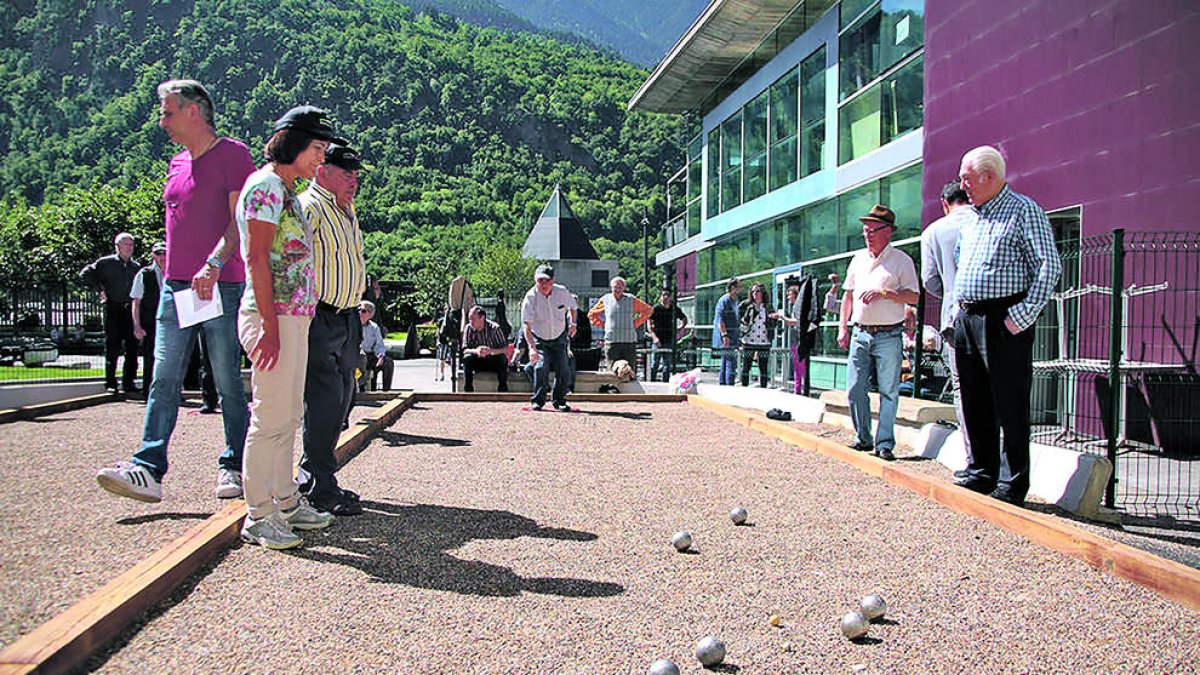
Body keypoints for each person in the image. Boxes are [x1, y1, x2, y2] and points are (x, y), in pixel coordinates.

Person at [96, 79, 252, 504]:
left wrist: (214, 262)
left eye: (167, 112)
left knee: (225, 381)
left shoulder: (233, 155)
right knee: (163, 377)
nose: (161, 121)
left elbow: (239, 221)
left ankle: (235, 465)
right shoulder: (176, 164)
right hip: (176, 288)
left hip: (220, 284)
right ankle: (148, 467)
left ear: (193, 111)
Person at [235, 105, 340, 549]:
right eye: (317, 149)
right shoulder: (265, 187)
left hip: (292, 317)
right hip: (271, 316)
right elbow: (257, 257)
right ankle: (259, 513)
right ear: (293, 143)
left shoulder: (285, 189)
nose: (321, 158)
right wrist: (270, 328)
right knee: (270, 416)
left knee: (288, 416)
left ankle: (286, 500)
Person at [951, 145, 1062, 507]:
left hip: (1003, 318)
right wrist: (957, 311)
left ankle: (1012, 482)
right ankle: (981, 471)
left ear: (989, 176)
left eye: (967, 177)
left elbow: (1048, 266)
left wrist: (1023, 315)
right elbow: (960, 265)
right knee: (974, 399)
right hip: (968, 318)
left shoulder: (1023, 210)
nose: (961, 184)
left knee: (1009, 402)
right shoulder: (970, 217)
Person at [297, 142, 367, 517]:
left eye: (355, 174)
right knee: (324, 402)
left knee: (342, 399)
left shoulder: (346, 210)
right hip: (320, 315)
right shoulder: (311, 208)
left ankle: (314, 474)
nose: (352, 180)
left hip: (348, 316)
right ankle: (321, 487)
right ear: (322, 171)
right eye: (345, 173)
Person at [837, 205, 920, 461]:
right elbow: (847, 296)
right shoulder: (858, 259)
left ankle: (884, 443)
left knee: (888, 390)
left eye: (873, 230)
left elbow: (914, 295)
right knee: (854, 388)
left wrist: (886, 293)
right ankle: (862, 437)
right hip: (860, 333)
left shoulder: (901, 261)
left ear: (888, 232)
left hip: (889, 335)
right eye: (865, 229)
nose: (868, 234)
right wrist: (843, 327)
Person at [920, 178, 976, 476]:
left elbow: (930, 281)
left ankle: (973, 459)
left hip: (954, 316)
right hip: (992, 315)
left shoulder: (935, 231)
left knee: (963, 388)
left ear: (945, 203)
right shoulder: (984, 221)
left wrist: (953, 290)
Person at [80, 232, 141, 394]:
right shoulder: (105, 263)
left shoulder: (136, 267)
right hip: (113, 308)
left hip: (130, 310)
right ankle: (110, 382)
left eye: (131, 245)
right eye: (126, 244)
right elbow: (85, 274)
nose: (129, 248)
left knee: (132, 348)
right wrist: (100, 290)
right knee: (112, 347)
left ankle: (129, 382)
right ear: (118, 247)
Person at [520, 264, 577, 411]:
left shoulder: (562, 292)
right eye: (540, 281)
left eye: (546, 281)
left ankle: (559, 400)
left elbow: (573, 307)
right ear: (535, 281)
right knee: (540, 367)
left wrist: (573, 323)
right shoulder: (531, 297)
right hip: (539, 337)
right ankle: (538, 400)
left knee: (564, 369)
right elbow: (526, 324)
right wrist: (532, 348)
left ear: (553, 281)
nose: (543, 284)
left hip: (559, 336)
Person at [588, 276, 653, 374]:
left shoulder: (631, 299)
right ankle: (612, 388)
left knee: (630, 370)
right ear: (611, 288)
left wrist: (635, 323)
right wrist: (603, 325)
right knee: (611, 370)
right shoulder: (605, 299)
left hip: (629, 341)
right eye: (615, 287)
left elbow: (648, 310)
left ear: (624, 288)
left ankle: (630, 389)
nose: (617, 289)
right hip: (611, 341)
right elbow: (592, 314)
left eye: (619, 287)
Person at [773, 275, 821, 396]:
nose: (788, 297)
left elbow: (796, 322)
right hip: (795, 339)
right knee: (797, 367)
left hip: (801, 339)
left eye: (790, 294)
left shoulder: (800, 307)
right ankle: (798, 389)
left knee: (800, 366)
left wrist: (782, 316)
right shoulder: (796, 307)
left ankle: (800, 390)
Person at [130, 241, 166, 391]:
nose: (162, 257)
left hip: (171, 322)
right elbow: (136, 302)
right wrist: (137, 326)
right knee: (150, 357)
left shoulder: (175, 273)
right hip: (150, 321)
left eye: (164, 253)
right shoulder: (144, 274)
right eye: (158, 253)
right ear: (153, 255)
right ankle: (148, 390)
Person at [461, 305, 509, 392]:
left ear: (482, 318)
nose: (471, 322)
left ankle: (503, 390)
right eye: (469, 319)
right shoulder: (468, 328)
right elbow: (465, 349)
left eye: (473, 319)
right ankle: (468, 391)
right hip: (477, 360)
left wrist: (491, 351)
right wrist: (476, 351)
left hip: (492, 360)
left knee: (502, 360)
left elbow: (506, 349)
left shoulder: (494, 328)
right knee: (467, 358)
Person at [739, 282, 778, 388]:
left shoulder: (768, 307)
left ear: (762, 293)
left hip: (764, 341)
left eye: (757, 291)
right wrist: (743, 326)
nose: (754, 294)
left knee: (763, 367)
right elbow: (737, 317)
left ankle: (763, 389)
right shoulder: (746, 305)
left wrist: (774, 319)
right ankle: (744, 388)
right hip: (749, 340)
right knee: (746, 366)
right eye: (753, 291)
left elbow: (774, 323)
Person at [648, 289, 688, 382]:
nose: (665, 297)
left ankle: (665, 383)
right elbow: (649, 325)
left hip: (669, 339)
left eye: (668, 295)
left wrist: (679, 329)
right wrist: (654, 337)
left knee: (667, 365)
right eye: (663, 295)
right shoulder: (655, 309)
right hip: (657, 340)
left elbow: (684, 319)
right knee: (654, 364)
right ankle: (652, 382)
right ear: (660, 297)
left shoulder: (674, 309)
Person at [712, 277, 743, 386]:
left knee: (725, 362)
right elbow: (720, 319)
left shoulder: (734, 301)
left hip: (732, 336)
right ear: (733, 288)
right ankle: (729, 386)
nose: (741, 289)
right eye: (739, 286)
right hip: (726, 337)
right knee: (731, 363)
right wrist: (724, 335)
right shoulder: (724, 300)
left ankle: (723, 385)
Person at [358, 300, 393, 392]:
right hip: (355, 355)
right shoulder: (352, 325)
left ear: (371, 314)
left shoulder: (374, 327)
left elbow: (379, 344)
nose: (361, 313)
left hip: (370, 355)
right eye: (361, 310)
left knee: (388, 362)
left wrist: (380, 356)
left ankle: (386, 391)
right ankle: (362, 388)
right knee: (362, 357)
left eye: (365, 311)